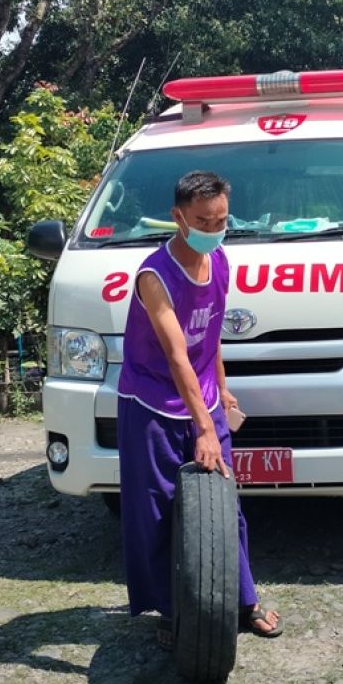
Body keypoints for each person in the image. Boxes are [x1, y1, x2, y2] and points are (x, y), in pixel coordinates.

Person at [117, 170, 282, 650]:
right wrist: (203, 429)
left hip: (203, 396)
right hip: (151, 402)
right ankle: (170, 609)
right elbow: (175, 356)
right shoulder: (154, 276)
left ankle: (243, 600)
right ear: (178, 217)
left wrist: (222, 393)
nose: (214, 229)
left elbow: (209, 338)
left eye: (222, 219)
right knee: (159, 509)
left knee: (227, 505)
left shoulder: (221, 261)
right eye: (203, 220)